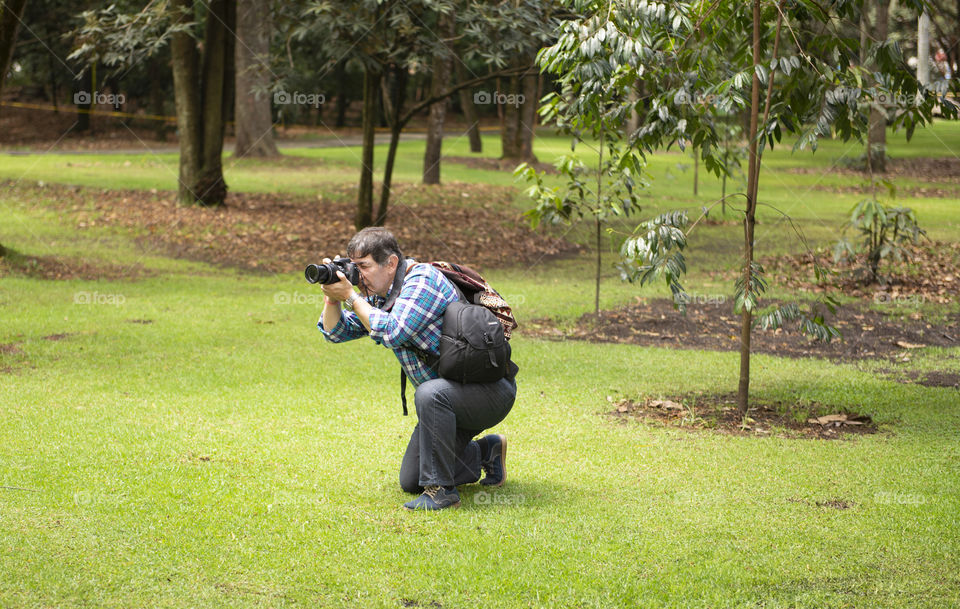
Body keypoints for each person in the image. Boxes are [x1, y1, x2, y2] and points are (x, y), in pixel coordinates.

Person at [317, 227, 517, 511]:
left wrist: (351, 296)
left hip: (488, 392)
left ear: (391, 263)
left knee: (429, 393)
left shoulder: (422, 280)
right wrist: (333, 299)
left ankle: (442, 493)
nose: (359, 276)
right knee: (411, 480)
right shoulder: (379, 293)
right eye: (354, 267)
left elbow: (394, 331)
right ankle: (485, 452)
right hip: (447, 402)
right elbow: (335, 332)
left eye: (364, 266)